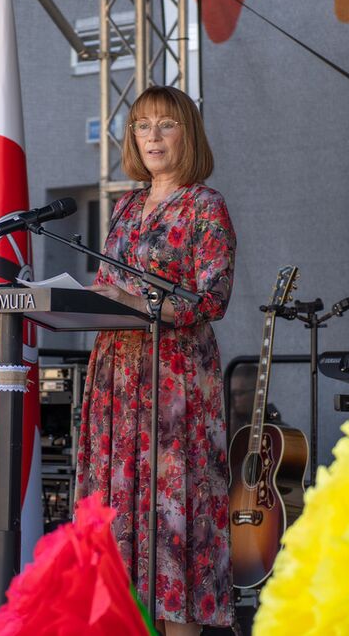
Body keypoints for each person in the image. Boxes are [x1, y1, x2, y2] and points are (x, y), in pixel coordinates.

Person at [76, 86, 237, 634]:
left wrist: (134, 301)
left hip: (174, 381)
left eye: (165, 124)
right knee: (118, 521)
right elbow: (107, 285)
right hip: (117, 379)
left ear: (187, 134)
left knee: (174, 522)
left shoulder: (205, 205)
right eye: (142, 126)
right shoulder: (124, 206)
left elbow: (211, 299)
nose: (152, 137)